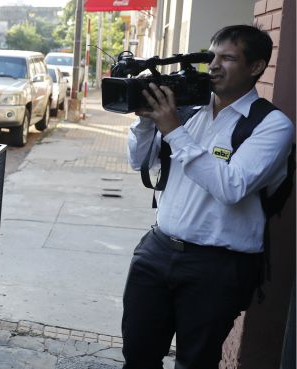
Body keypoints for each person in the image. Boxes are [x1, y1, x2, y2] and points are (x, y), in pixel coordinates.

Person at [123, 25, 294, 369]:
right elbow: (139, 161)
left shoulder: (272, 125)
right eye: (211, 56)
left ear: (256, 67)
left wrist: (174, 131)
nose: (213, 65)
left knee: (195, 362)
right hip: (157, 251)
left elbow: (231, 187)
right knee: (138, 356)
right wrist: (145, 121)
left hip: (218, 267)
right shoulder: (189, 109)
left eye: (228, 58)